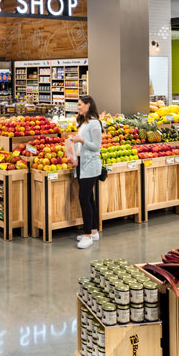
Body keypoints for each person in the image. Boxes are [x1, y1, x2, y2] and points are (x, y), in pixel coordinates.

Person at [67, 95, 102, 249]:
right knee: (90, 199)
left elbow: (96, 146)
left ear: (88, 105)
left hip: (90, 165)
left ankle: (87, 235)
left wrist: (80, 141)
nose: (78, 107)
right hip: (82, 164)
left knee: (84, 199)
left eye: (80, 104)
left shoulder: (94, 123)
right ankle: (94, 231)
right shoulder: (84, 122)